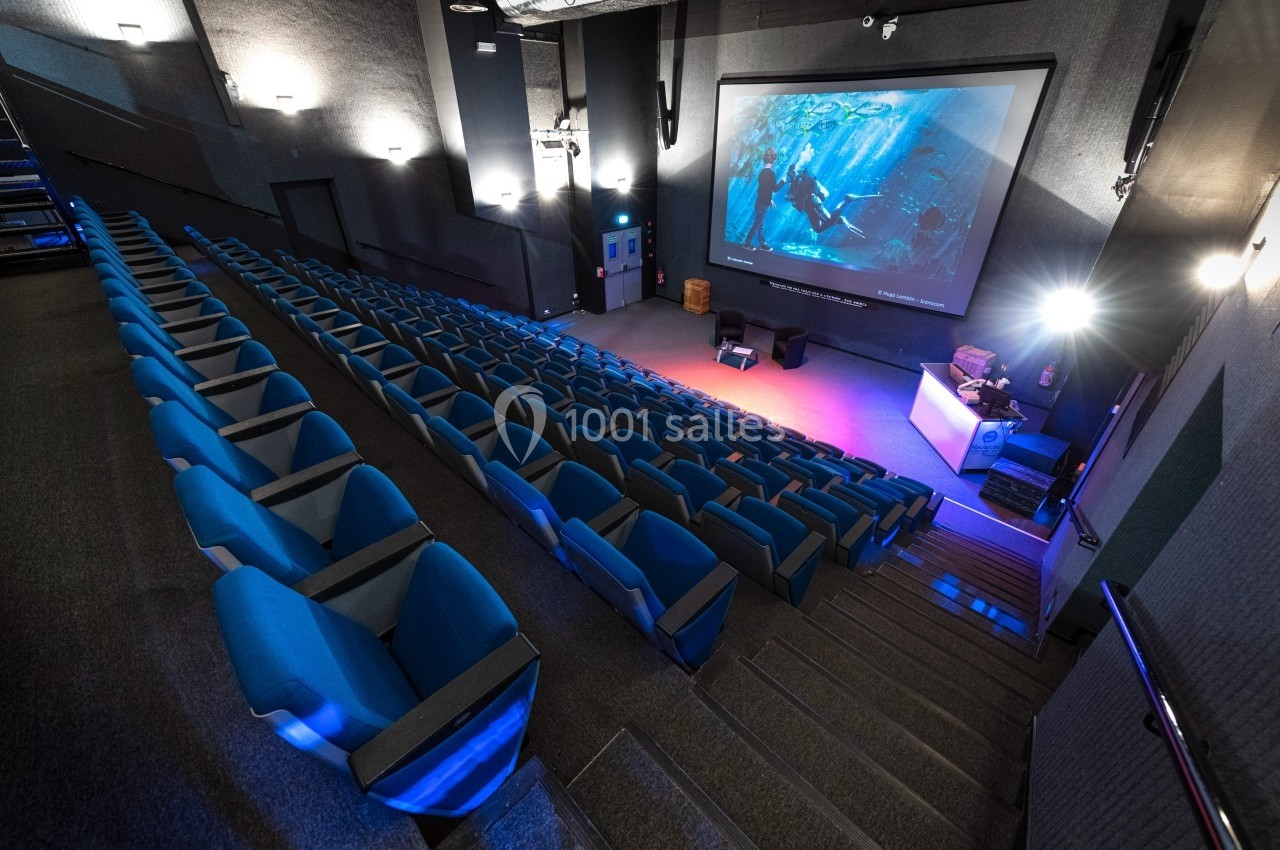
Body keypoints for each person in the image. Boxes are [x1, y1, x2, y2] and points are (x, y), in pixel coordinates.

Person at [786, 164, 877, 237]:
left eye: (791, 172)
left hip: (814, 204)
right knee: (817, 229)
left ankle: (847, 199)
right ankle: (838, 221)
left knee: (828, 220)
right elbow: (794, 202)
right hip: (808, 209)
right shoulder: (791, 186)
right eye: (789, 173)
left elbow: (809, 189)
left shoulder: (801, 178)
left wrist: (799, 184)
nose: (790, 175)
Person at [743, 148, 786, 252]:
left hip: (759, 202)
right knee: (757, 225)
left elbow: (763, 189)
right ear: (774, 160)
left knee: (760, 224)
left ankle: (762, 244)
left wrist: (770, 199)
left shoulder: (762, 172)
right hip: (763, 204)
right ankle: (747, 243)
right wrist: (784, 181)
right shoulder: (771, 173)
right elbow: (774, 189)